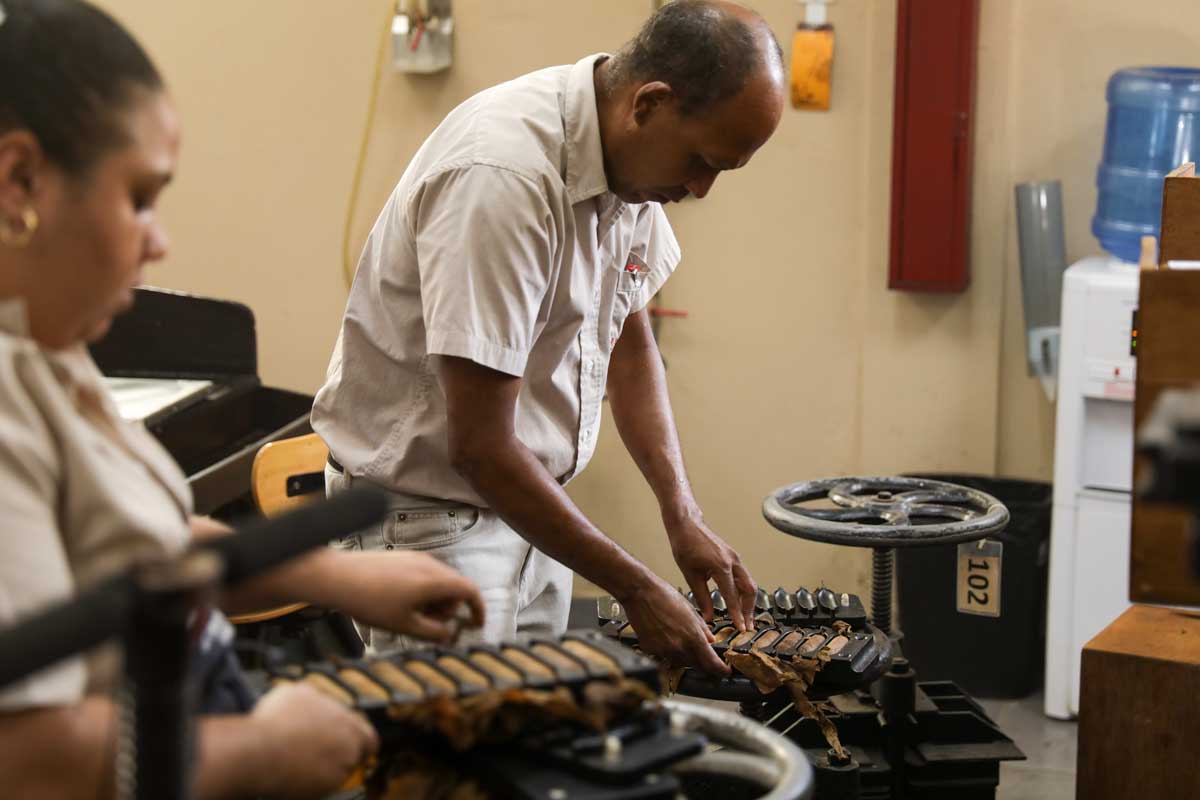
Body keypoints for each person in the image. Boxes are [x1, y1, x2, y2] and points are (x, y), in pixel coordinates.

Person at [0, 1, 484, 797]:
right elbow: (22, 756)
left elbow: (137, 552)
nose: (159, 242)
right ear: (22, 180)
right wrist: (251, 751)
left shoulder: (49, 348)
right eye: (140, 198)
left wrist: (333, 578)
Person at [313, 0, 786, 674]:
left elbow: (628, 341)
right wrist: (637, 587)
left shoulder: (629, 171)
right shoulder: (501, 179)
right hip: (432, 528)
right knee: (459, 771)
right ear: (649, 103)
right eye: (701, 160)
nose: (700, 188)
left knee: (532, 757)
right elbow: (478, 447)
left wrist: (680, 512)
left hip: (527, 511)